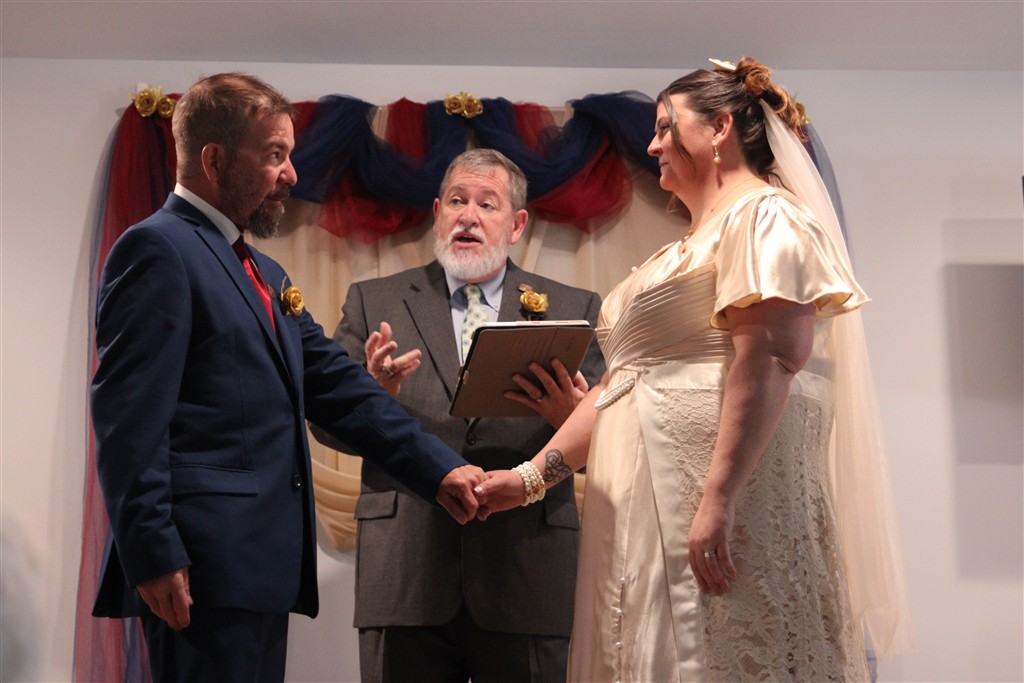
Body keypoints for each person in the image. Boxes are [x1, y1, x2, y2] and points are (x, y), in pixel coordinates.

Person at [475, 58, 912, 681]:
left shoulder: (765, 215)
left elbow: (773, 355)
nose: (652, 145)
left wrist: (720, 498)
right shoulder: (675, 251)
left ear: (719, 128)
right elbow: (620, 386)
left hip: (707, 505)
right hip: (637, 511)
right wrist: (527, 479)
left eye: (664, 126)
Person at [90, 72, 485, 683]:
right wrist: (151, 553)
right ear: (214, 161)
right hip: (196, 570)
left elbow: (340, 389)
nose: (292, 175)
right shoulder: (157, 250)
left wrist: (440, 470)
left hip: (256, 572)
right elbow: (127, 422)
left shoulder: (264, 272)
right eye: (274, 155)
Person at [312, 148, 605, 683]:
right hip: (404, 571)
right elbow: (324, 421)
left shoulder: (574, 308)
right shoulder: (374, 301)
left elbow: (609, 444)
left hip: (528, 570)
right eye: (456, 201)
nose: (468, 215)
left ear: (516, 225)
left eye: (487, 204)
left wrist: (571, 415)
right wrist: (371, 397)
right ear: (436, 213)